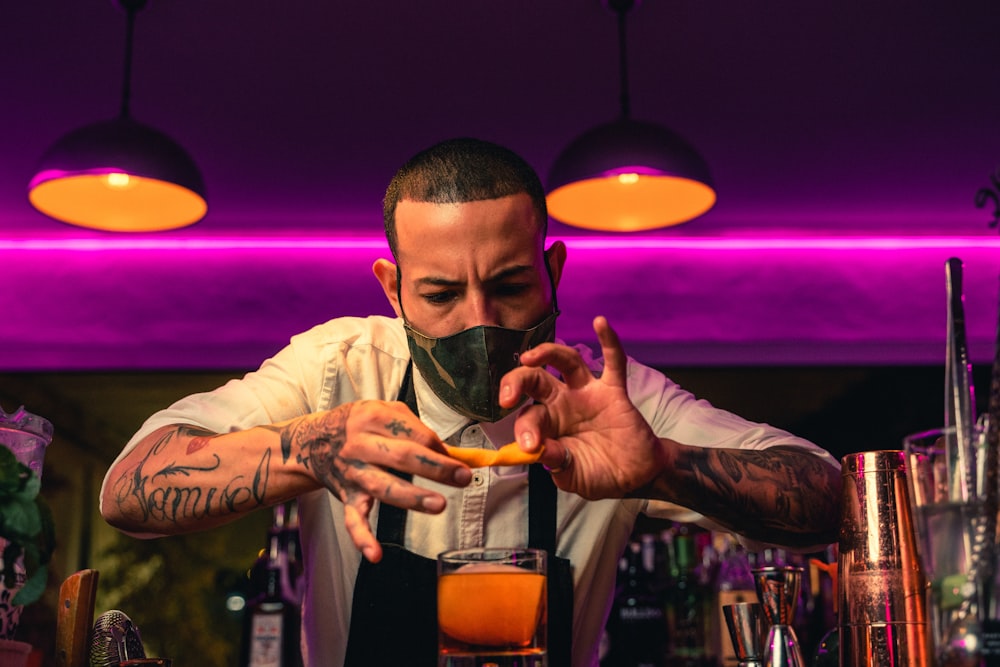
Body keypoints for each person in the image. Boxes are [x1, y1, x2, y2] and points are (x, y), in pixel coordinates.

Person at [100, 137, 842, 667]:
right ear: (392, 289)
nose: (479, 320)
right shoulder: (335, 368)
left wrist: (662, 466)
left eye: (511, 286)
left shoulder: (609, 395)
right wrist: (309, 447)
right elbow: (128, 490)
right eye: (441, 293)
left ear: (552, 270)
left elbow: (832, 502)